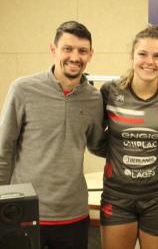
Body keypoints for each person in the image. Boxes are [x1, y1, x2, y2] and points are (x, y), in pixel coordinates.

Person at [0, 21, 104, 249]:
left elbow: (98, 144)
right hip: (25, 210)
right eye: (68, 49)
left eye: (82, 51)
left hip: (74, 213)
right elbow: (3, 149)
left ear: (90, 54)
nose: (75, 57)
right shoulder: (23, 89)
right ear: (53, 49)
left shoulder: (94, 99)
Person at [96, 25, 158, 249]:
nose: (149, 61)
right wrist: (119, 153)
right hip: (117, 195)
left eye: (157, 55)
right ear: (132, 56)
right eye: (142, 54)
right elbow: (96, 139)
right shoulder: (110, 92)